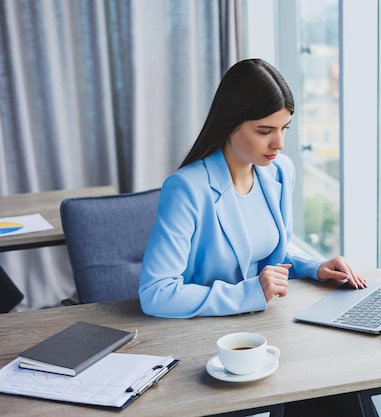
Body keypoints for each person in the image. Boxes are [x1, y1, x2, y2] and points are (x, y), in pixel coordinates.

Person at [138, 58, 367, 319]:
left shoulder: (280, 171)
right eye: (265, 131)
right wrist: (250, 292)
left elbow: (265, 254)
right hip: (204, 332)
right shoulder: (186, 189)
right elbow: (156, 293)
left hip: (265, 324)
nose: (278, 143)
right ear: (230, 124)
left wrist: (316, 267)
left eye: (284, 128)